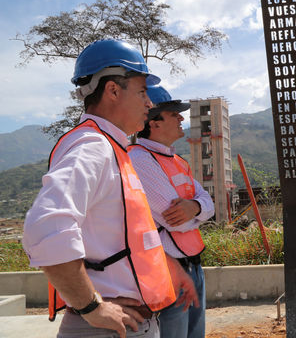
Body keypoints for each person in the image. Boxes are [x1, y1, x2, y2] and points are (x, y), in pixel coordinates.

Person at [22, 40, 198, 338]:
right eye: (142, 91)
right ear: (113, 90)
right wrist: (92, 307)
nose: (149, 103)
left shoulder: (113, 148)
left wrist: (169, 266)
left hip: (128, 324)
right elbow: (45, 228)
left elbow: (123, 237)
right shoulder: (92, 147)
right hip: (108, 329)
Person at [128, 85, 215, 338]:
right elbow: (177, 223)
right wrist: (199, 211)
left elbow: (208, 203)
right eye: (174, 113)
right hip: (168, 269)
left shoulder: (177, 161)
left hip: (192, 265)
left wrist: (196, 207)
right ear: (153, 123)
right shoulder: (140, 160)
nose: (181, 118)